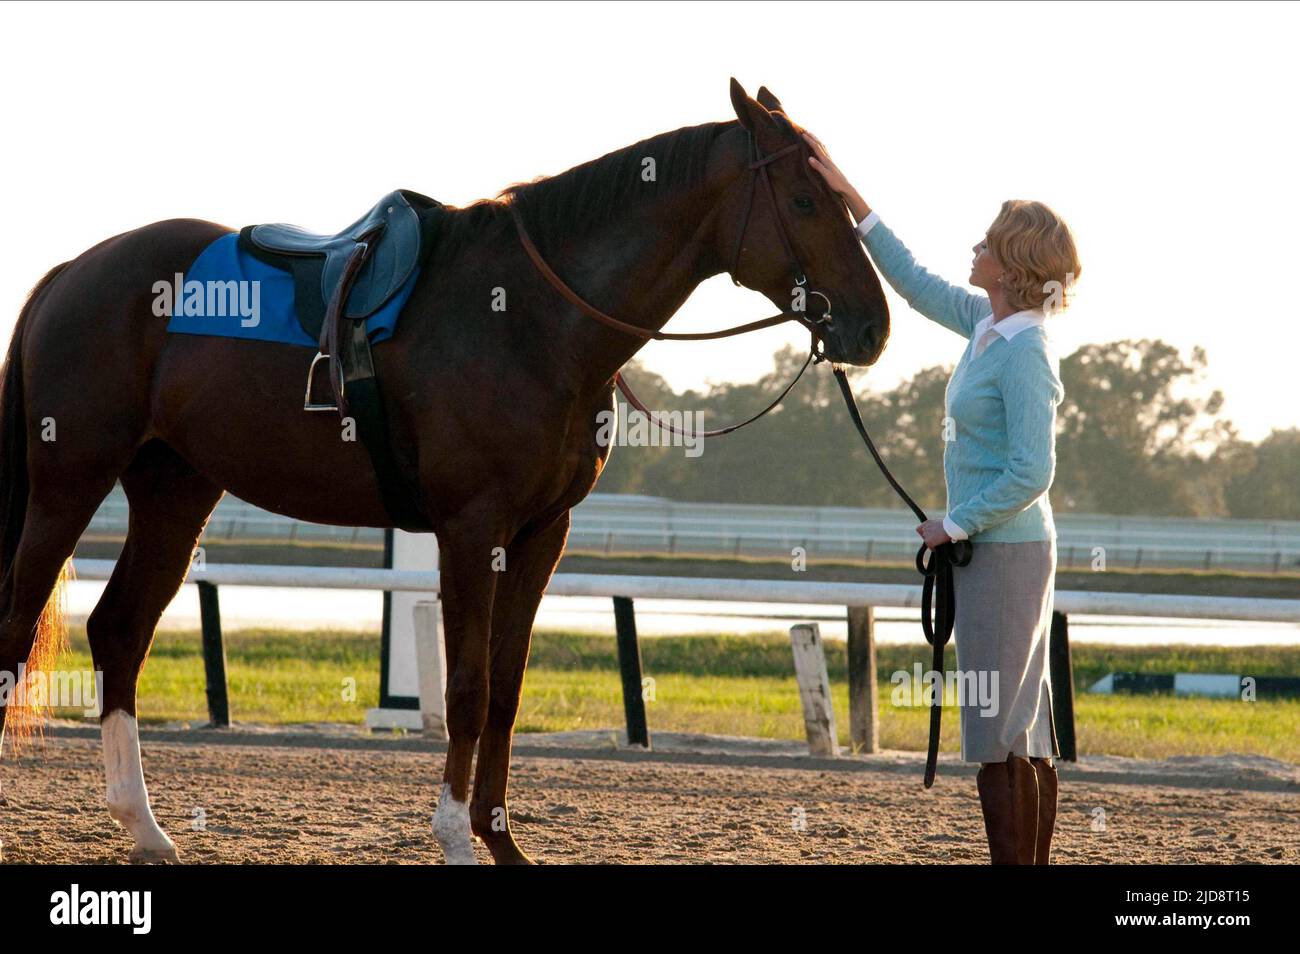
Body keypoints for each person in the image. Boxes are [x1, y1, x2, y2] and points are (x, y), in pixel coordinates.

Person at [805, 131, 1082, 864]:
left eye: (989, 242)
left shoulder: (1025, 352)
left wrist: (955, 522)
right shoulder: (987, 324)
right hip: (1000, 547)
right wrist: (847, 195)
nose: (977, 247)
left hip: (1006, 547)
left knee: (1000, 731)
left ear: (1015, 263)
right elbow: (913, 278)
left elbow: (1032, 471)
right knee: (1022, 727)